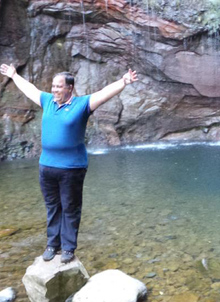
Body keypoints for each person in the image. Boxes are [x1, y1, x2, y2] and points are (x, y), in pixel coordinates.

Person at [0, 63, 138, 263]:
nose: (54, 89)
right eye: (53, 86)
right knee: (52, 207)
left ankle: (68, 249)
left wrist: (123, 81)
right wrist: (14, 75)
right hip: (46, 166)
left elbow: (104, 93)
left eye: (58, 86)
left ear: (69, 88)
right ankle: (52, 245)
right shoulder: (47, 101)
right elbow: (30, 89)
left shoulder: (82, 105)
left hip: (72, 168)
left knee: (70, 207)